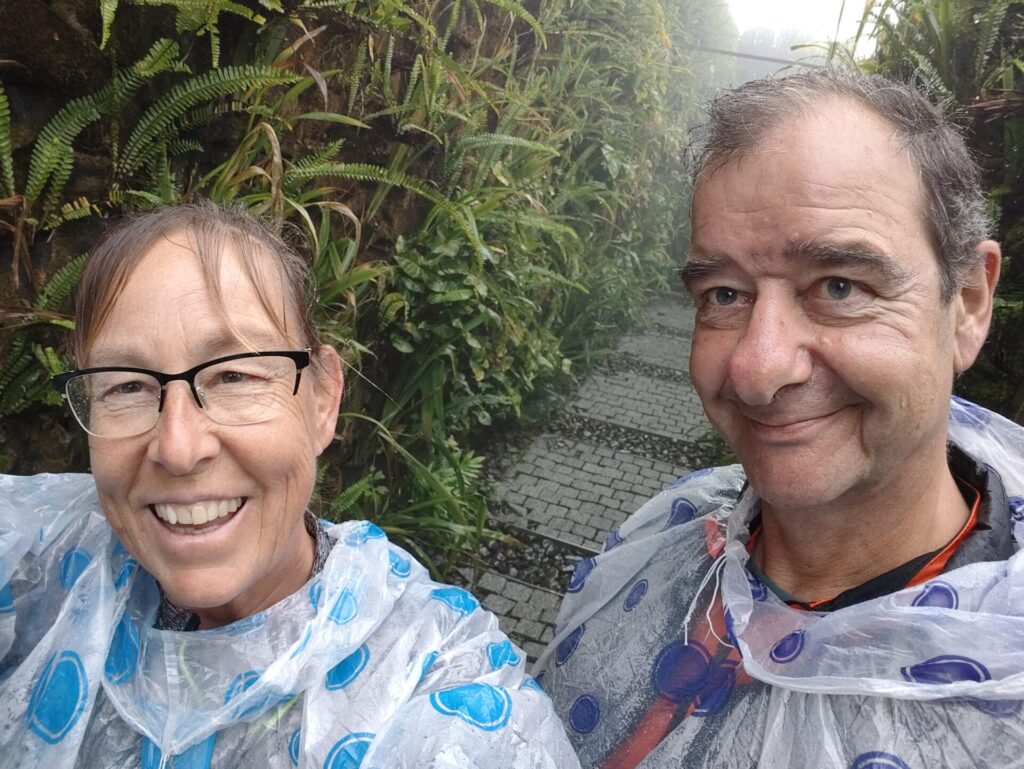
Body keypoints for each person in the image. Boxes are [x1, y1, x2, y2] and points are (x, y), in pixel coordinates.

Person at [536, 69, 1024, 768]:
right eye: (724, 294)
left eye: (839, 286)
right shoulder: (668, 528)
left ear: (969, 303)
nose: (757, 369)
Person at [0, 202, 580, 769]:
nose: (177, 448)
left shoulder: (441, 686)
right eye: (125, 386)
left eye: (235, 375)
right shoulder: (49, 563)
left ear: (322, 400)